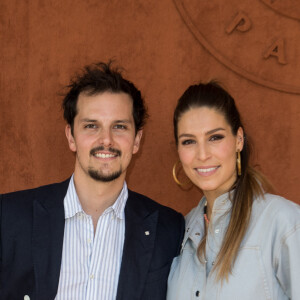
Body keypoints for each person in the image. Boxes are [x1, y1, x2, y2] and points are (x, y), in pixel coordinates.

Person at [0, 62, 185, 300]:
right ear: (71, 136)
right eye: (91, 126)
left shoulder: (167, 229)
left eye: (119, 126)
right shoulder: (9, 218)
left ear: (137, 140)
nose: (106, 140)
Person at [167, 82, 300, 299]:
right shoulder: (180, 233)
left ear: (238, 139)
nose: (202, 154)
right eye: (189, 141)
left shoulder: (283, 223)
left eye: (215, 137)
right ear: (179, 151)